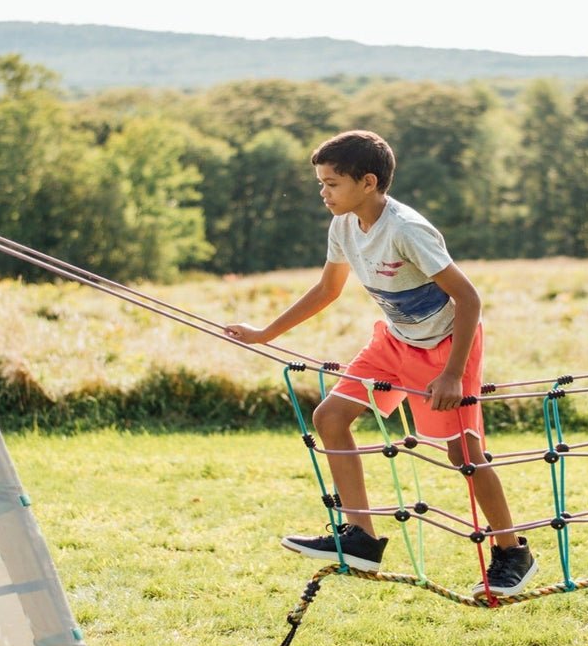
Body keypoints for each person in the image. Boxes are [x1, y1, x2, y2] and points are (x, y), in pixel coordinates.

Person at [224, 129, 538, 597]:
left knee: (463, 454)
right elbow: (328, 290)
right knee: (329, 416)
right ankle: (362, 537)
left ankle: (513, 553)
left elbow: (469, 299)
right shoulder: (344, 226)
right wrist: (264, 333)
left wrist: (452, 373)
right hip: (393, 344)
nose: (323, 193)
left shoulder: (406, 229)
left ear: (368, 182)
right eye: (320, 183)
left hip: (446, 348)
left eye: (332, 183)